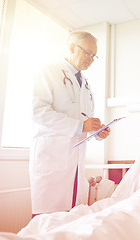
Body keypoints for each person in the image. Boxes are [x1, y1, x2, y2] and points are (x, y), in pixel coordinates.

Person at [30, 31, 110, 217]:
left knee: (71, 221)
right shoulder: (47, 71)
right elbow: (37, 111)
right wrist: (81, 126)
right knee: (46, 222)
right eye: (87, 53)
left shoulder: (85, 83)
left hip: (75, 162)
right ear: (72, 47)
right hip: (52, 156)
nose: (91, 59)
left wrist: (97, 131)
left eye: (94, 55)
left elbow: (84, 119)